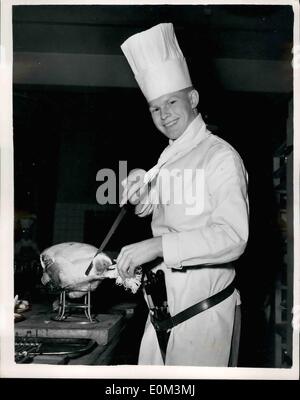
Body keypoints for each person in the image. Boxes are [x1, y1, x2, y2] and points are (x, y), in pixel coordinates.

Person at [116, 23, 249, 366]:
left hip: (202, 315)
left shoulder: (220, 156)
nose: (165, 115)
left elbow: (233, 237)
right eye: (155, 108)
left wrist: (158, 246)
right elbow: (167, 210)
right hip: (162, 309)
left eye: (172, 102)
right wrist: (140, 193)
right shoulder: (172, 155)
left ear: (193, 98)